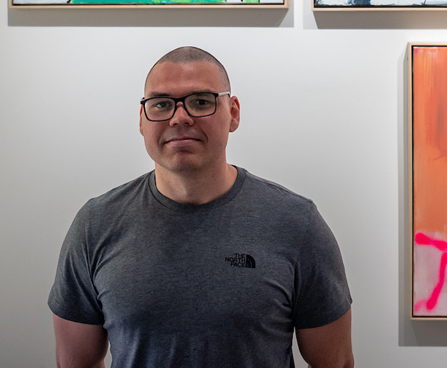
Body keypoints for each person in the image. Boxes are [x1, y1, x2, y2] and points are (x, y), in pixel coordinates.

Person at [49, 46, 353, 368]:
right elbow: (77, 363)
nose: (180, 117)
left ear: (233, 113)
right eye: (161, 104)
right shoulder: (95, 225)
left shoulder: (297, 224)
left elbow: (334, 364)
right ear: (142, 120)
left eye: (201, 102)